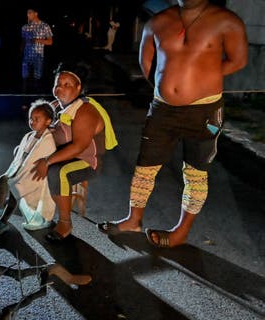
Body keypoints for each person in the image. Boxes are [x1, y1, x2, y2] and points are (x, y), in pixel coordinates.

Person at [97, 0, 248, 248]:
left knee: (196, 173)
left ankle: (180, 232)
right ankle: (133, 220)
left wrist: (202, 76)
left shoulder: (226, 21)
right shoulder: (157, 22)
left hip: (205, 111)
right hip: (162, 109)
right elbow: (147, 64)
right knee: (145, 167)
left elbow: (238, 59)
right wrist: (167, 88)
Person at [31, 67, 118, 242]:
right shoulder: (56, 106)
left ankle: (65, 223)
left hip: (87, 161)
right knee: (27, 161)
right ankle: (34, 209)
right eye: (58, 84)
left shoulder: (85, 110)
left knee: (57, 172)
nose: (60, 88)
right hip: (66, 155)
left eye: (67, 85)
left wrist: (47, 161)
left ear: (78, 88)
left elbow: (79, 146)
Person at [0, 100, 58, 235]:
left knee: (15, 188)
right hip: (21, 170)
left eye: (37, 119)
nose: (32, 121)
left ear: (48, 121)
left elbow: (38, 160)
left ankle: (3, 221)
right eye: (31, 118)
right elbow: (21, 155)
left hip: (34, 175)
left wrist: (19, 175)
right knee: (3, 179)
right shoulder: (30, 136)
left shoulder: (48, 140)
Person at [20, 6, 53, 93]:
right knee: (25, 78)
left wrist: (37, 40)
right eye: (27, 13)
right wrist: (21, 52)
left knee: (37, 79)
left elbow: (50, 42)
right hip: (26, 56)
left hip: (38, 56)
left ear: (36, 13)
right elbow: (23, 41)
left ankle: (36, 99)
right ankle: (24, 99)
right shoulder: (25, 27)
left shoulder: (45, 26)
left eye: (30, 12)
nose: (28, 15)